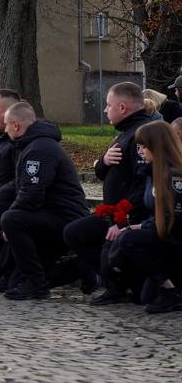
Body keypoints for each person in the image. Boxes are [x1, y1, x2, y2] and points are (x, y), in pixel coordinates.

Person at [63, 82, 158, 294]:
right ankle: (112, 279)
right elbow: (101, 171)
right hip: (112, 212)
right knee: (74, 233)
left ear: (122, 107)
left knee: (78, 235)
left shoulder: (141, 134)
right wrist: (103, 161)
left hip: (127, 216)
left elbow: (141, 185)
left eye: (108, 105)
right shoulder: (124, 132)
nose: (105, 110)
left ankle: (117, 281)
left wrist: (123, 221)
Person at [0, 102, 90, 300]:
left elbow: (31, 193)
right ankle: (78, 268)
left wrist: (9, 219)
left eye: (6, 125)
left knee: (11, 219)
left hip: (65, 218)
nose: (5, 130)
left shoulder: (38, 149)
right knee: (14, 283)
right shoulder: (33, 145)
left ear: (16, 125)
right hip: (53, 214)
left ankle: (35, 284)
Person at [105, 121, 182, 313]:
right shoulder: (153, 172)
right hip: (163, 236)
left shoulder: (174, 176)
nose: (140, 152)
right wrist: (138, 226)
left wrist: (141, 229)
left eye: (144, 146)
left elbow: (174, 219)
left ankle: (170, 290)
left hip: (175, 241)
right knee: (145, 297)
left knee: (130, 240)